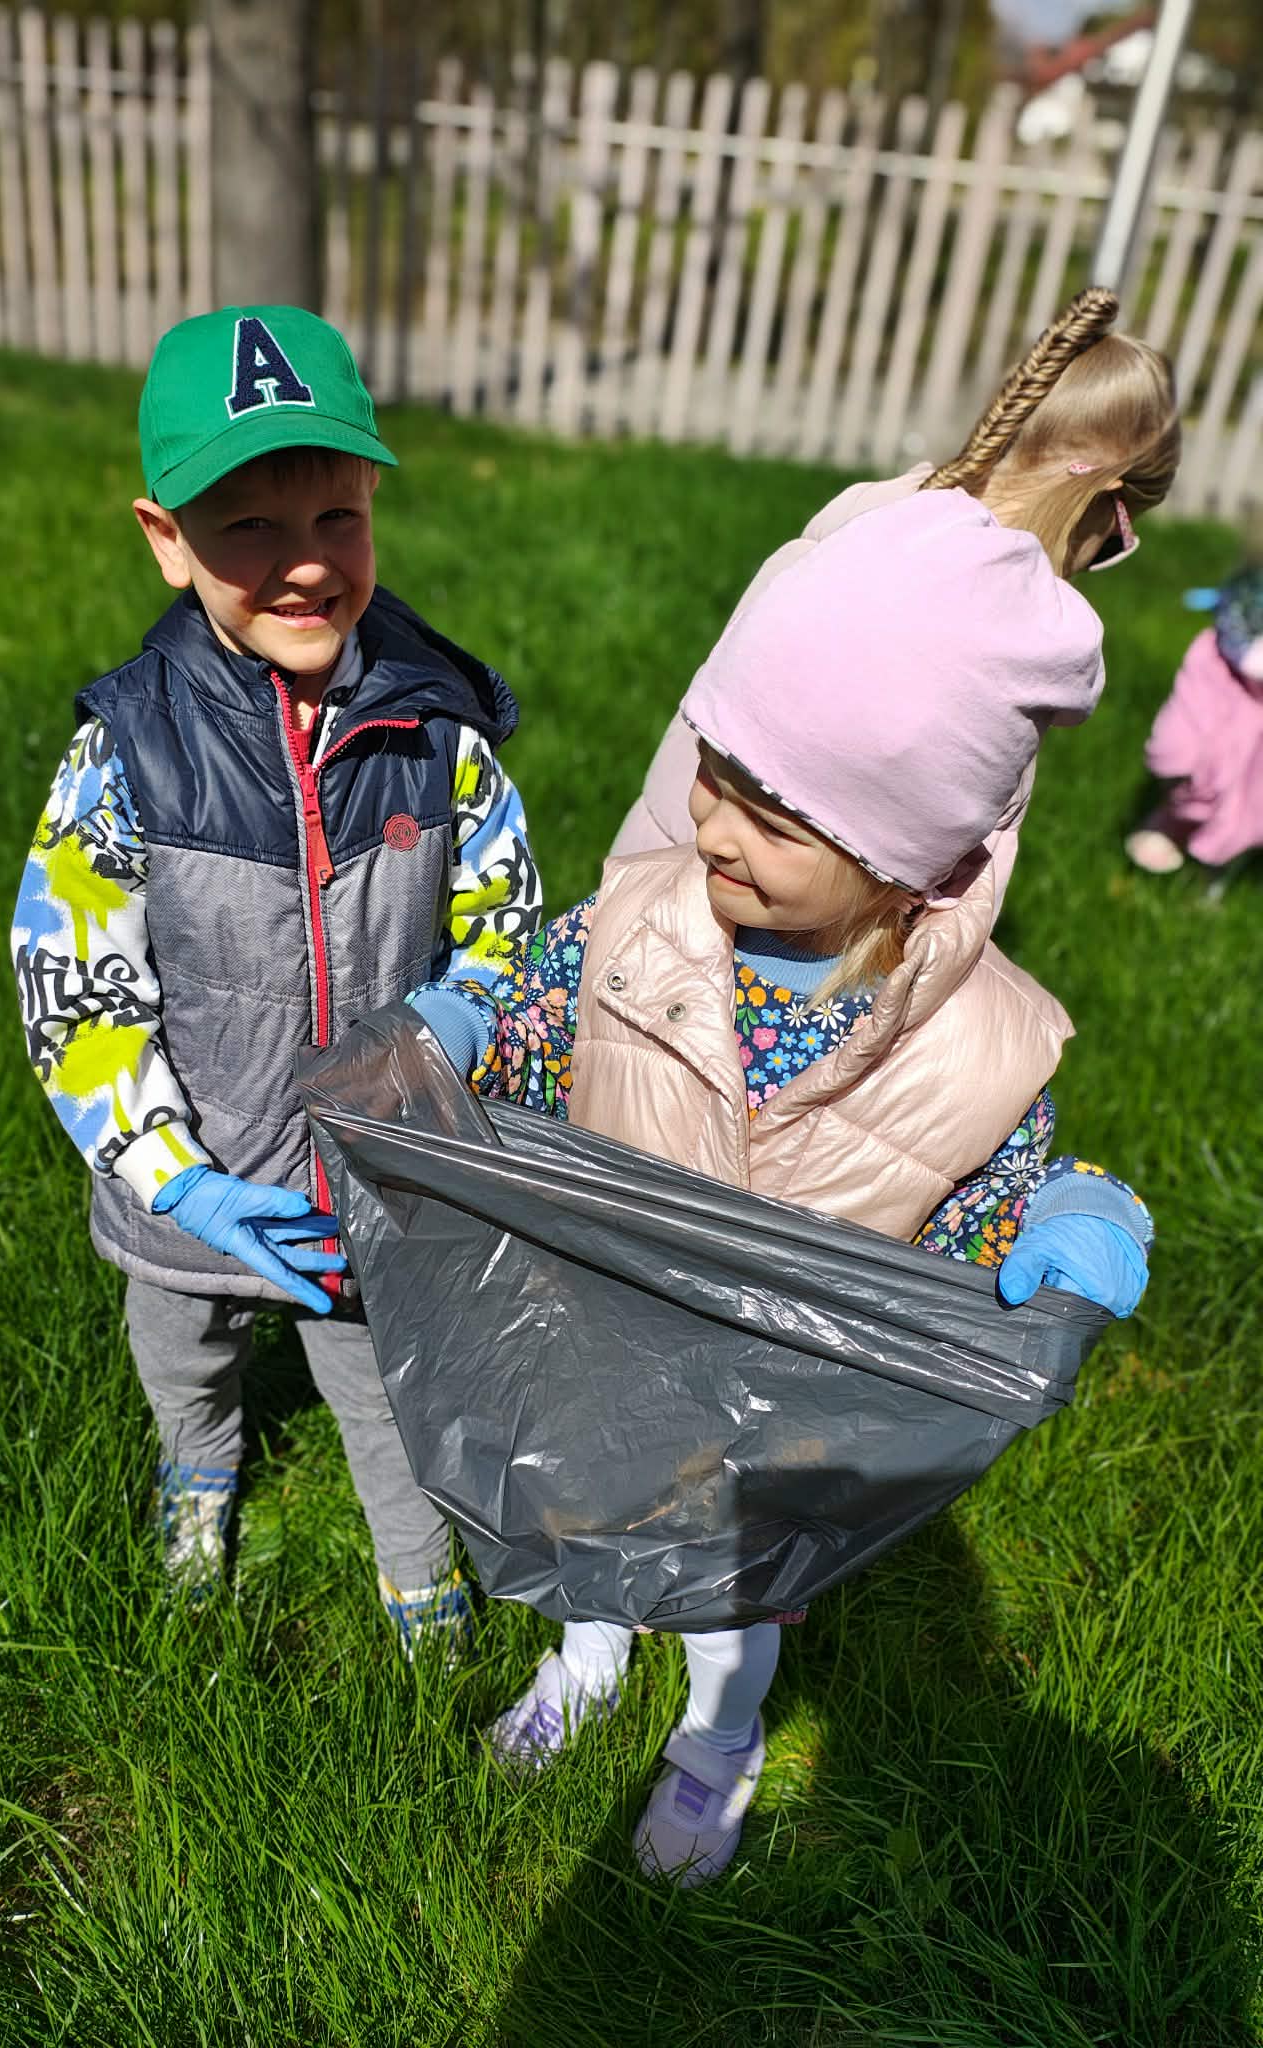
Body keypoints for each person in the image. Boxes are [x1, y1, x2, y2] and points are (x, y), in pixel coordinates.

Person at [404, 490, 1151, 1887]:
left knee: (729, 1610)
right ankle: (587, 1655)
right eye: (715, 767)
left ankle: (718, 1737)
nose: (715, 826)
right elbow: (539, 1016)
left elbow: (996, 1193)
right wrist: (466, 1027)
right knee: (583, 1524)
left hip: (773, 1419)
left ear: (910, 862)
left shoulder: (971, 1049)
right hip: (600, 1339)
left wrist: (1074, 1215)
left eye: (775, 814)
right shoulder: (641, 917)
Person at [11, 306, 542, 1647]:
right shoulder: (128, 752)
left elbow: (507, 918)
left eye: (336, 518)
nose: (304, 562)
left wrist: (469, 1005)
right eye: (248, 526)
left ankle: (418, 1567)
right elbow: (75, 979)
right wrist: (172, 1174)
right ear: (165, 537)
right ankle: (199, 1468)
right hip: (193, 1171)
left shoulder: (435, 732)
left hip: (369, 1172)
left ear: (373, 508)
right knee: (181, 1349)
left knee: (384, 1384)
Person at [613, 286, 1180, 878]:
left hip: (669, 832)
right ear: (1106, 492)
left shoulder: (875, 510)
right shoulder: (1022, 636)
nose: (1101, 559)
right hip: (775, 902)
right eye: (1118, 539)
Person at [1126, 563, 1263, 875]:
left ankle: (1220, 853)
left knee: (1253, 786)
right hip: (1229, 659)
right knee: (1180, 751)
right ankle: (1179, 815)